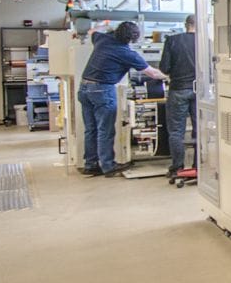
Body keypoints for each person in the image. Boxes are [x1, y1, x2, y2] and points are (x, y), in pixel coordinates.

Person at [78, 21, 167, 177]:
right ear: (131, 39)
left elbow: (92, 30)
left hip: (84, 88)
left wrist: (104, 24)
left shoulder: (102, 39)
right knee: (105, 130)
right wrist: (170, 76)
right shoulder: (125, 52)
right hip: (102, 89)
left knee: (90, 129)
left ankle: (90, 164)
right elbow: (152, 73)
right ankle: (108, 166)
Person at [159, 14, 197, 179]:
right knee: (199, 130)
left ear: (186, 24)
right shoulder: (207, 42)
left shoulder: (172, 40)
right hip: (200, 91)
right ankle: (198, 166)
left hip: (178, 90)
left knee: (176, 131)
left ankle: (177, 167)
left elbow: (164, 68)